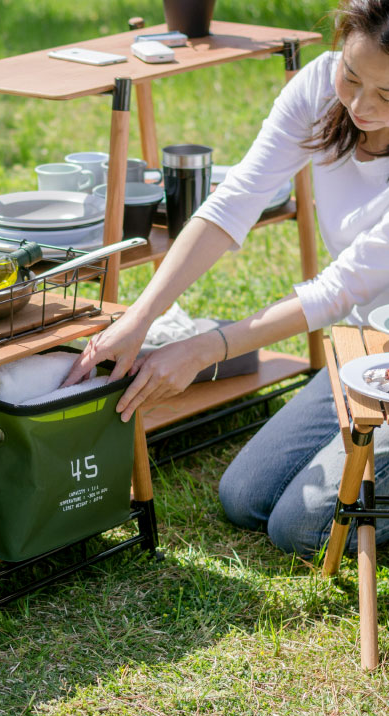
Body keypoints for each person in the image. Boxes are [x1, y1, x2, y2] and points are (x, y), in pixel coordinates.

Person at [64, 0, 389, 558]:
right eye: (352, 76)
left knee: (299, 527)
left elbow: (338, 289)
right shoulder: (318, 88)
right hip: (369, 349)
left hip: (372, 337)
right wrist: (141, 319)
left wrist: (203, 350)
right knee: (245, 496)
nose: (358, 104)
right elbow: (234, 201)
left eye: (386, 95)